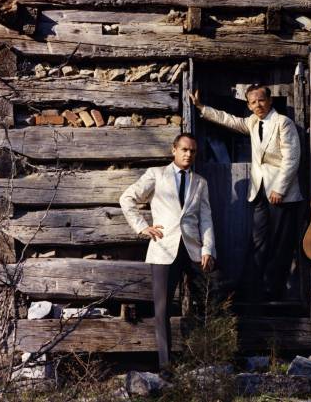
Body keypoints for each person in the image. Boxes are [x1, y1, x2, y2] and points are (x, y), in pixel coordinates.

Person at [189, 84, 301, 301]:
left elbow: (292, 159)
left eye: (261, 100)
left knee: (279, 244)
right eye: (252, 102)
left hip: (281, 194)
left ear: (269, 101)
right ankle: (254, 288)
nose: (257, 105)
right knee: (258, 241)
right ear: (248, 105)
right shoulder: (252, 122)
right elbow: (231, 120)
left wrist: (280, 188)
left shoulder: (283, 123)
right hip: (259, 192)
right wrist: (202, 108)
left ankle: (273, 290)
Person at [119, 133, 215, 370]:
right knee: (161, 309)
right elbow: (127, 198)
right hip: (163, 249)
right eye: (184, 149)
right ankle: (165, 366)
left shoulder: (200, 182)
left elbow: (206, 219)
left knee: (204, 305)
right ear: (174, 150)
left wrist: (208, 249)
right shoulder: (156, 174)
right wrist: (142, 227)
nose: (188, 154)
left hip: (194, 252)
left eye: (192, 151)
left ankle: (202, 360)